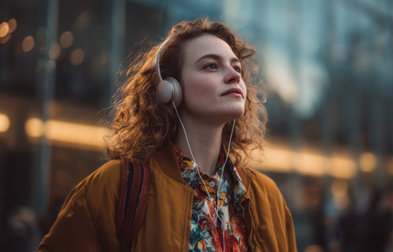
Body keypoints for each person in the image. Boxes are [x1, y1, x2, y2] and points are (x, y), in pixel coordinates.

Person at [38, 19, 297, 252]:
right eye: (211, 66)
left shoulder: (268, 198)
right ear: (170, 88)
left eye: (237, 68)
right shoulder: (113, 187)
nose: (234, 76)